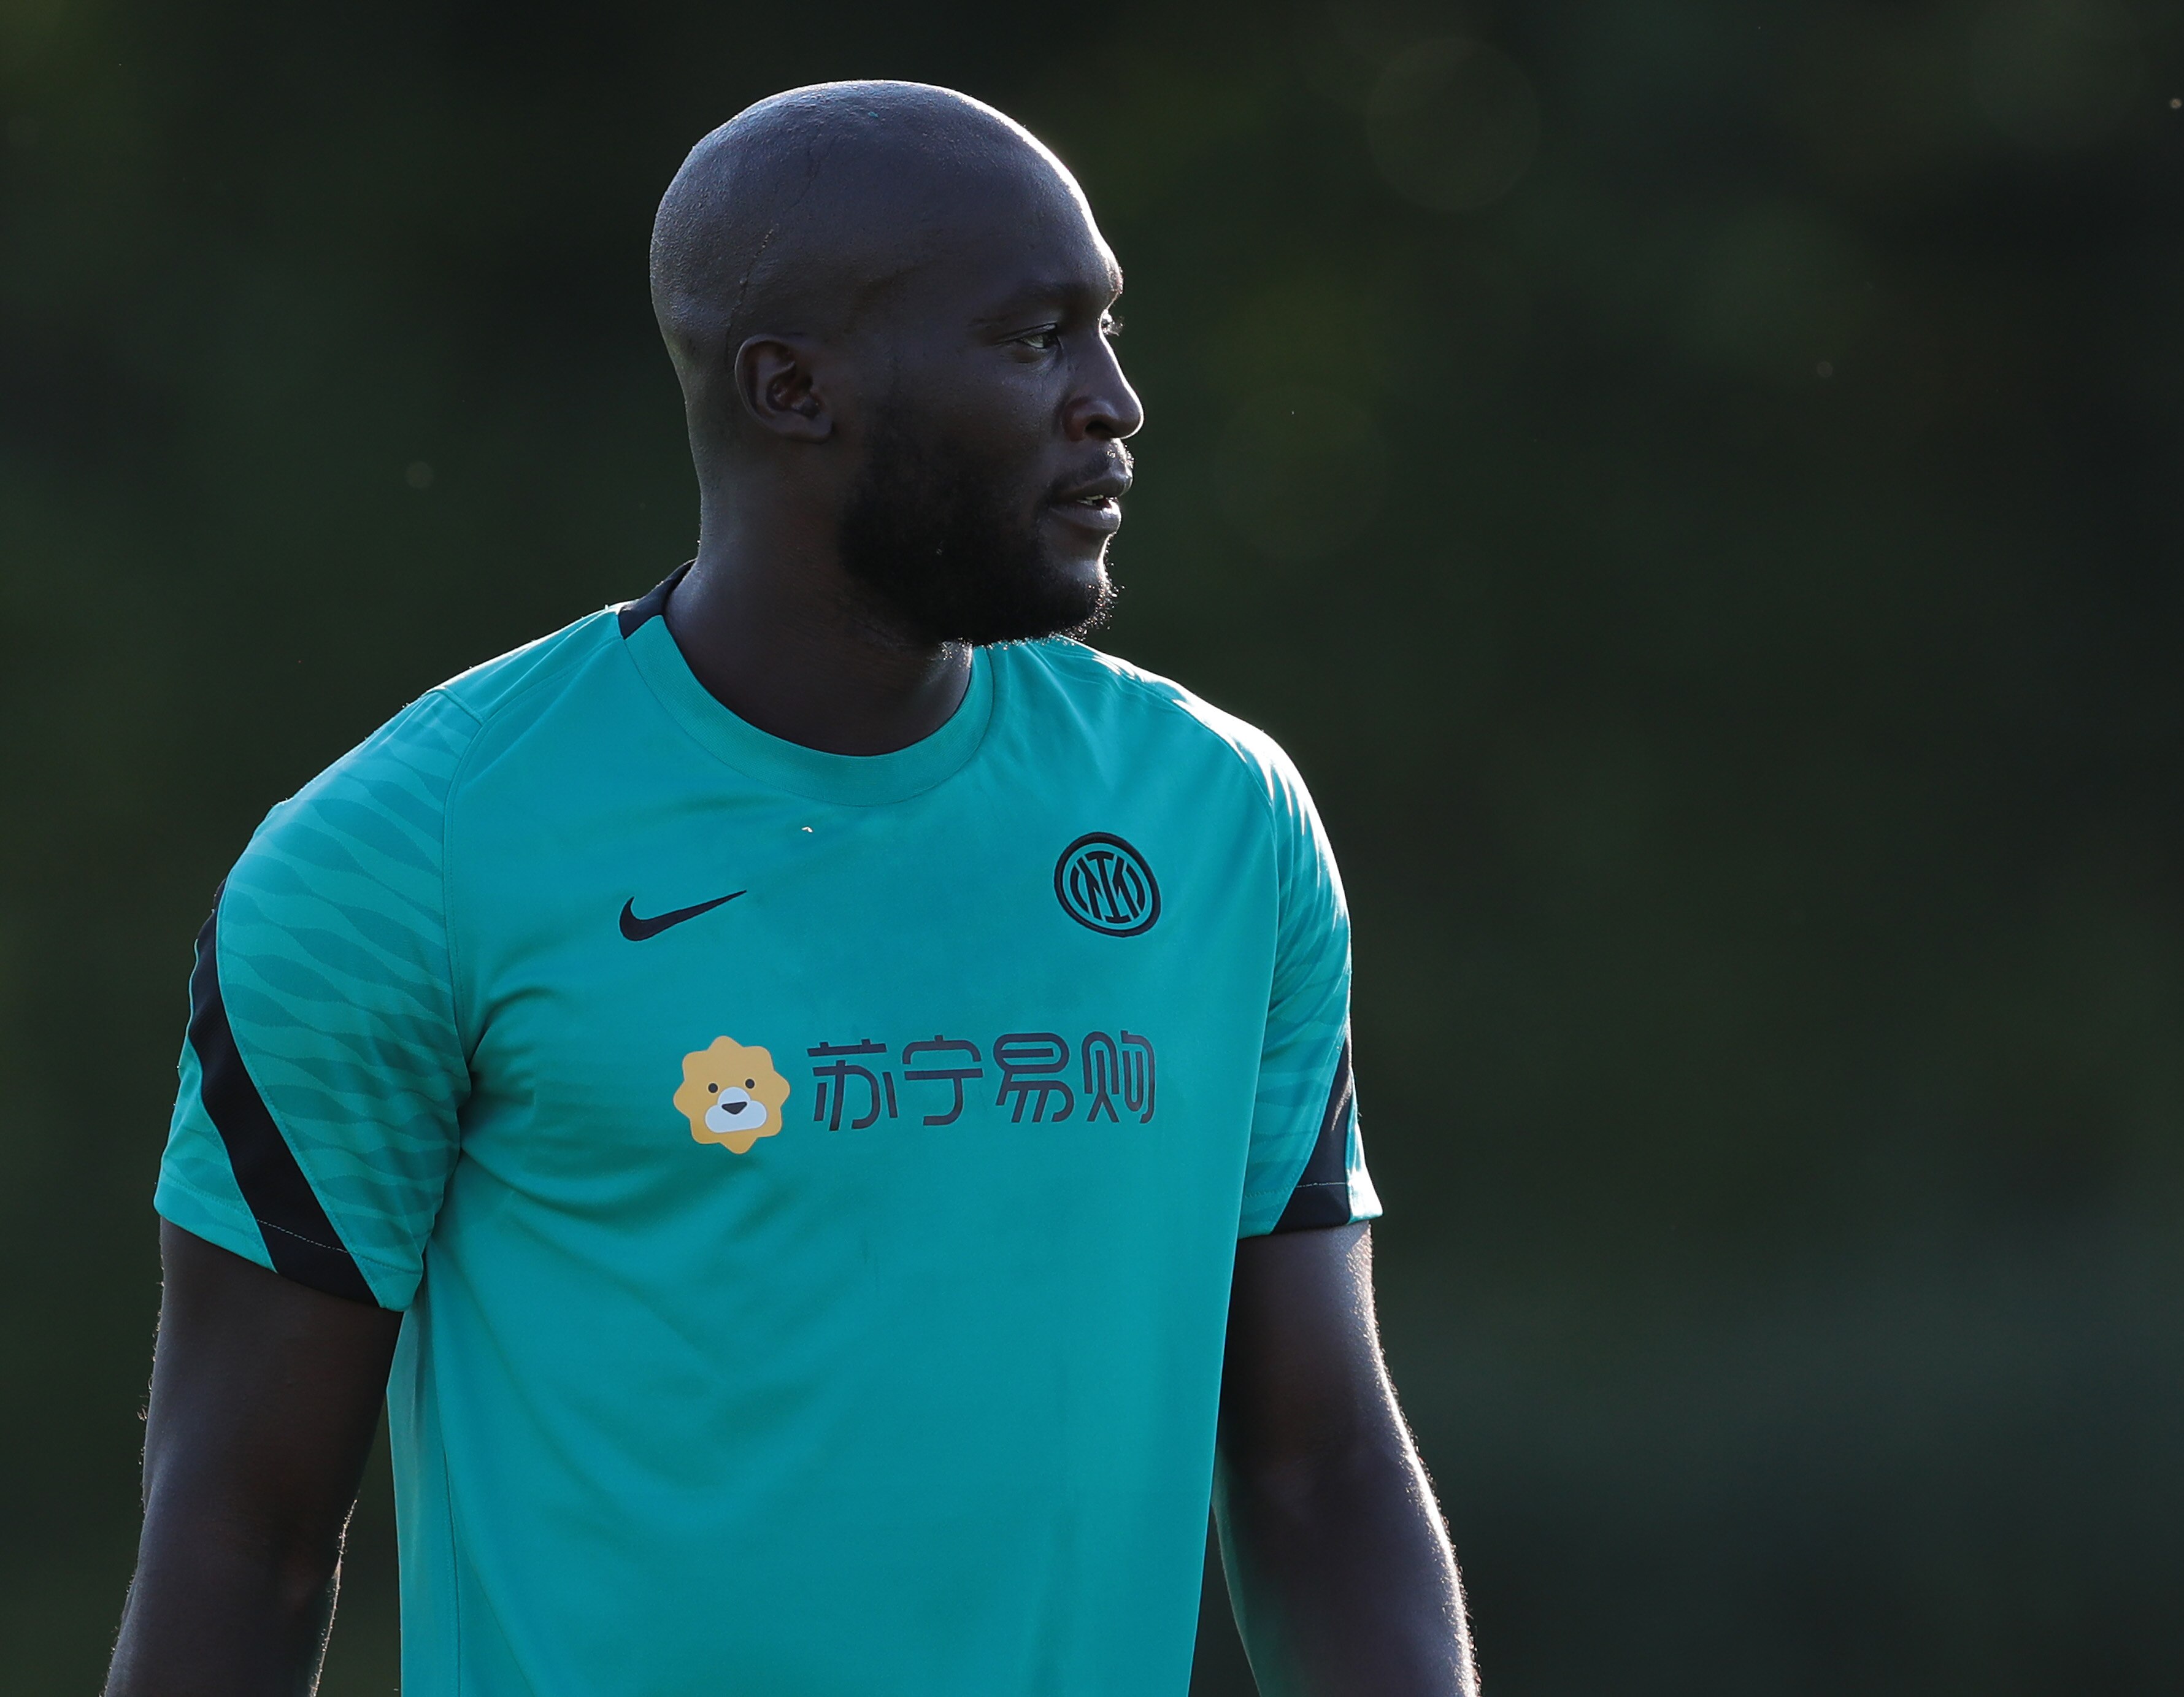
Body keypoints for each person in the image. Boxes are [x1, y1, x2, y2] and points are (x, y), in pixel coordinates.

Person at [104, 81, 1477, 1697]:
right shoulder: (398, 863)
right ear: (792, 388)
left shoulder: (1219, 821)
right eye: (1035, 342)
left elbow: (1317, 1464)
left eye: (1106, 333)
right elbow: (240, 1540)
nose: (1116, 403)